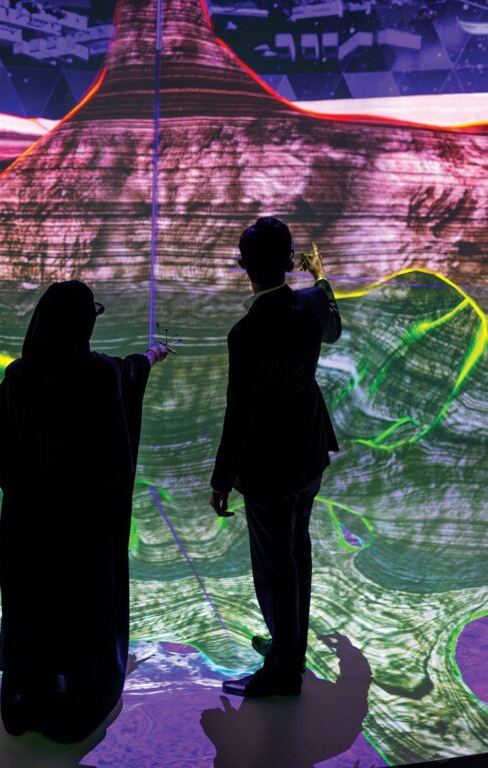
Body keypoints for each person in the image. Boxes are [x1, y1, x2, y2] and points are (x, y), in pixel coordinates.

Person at [0, 280, 174, 742]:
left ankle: (25, 703)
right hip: (84, 531)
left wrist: (25, 489)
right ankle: (75, 705)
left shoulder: (19, 375)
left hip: (27, 528)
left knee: (32, 610)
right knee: (81, 612)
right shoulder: (100, 375)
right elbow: (130, 373)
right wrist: (153, 355)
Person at [209, 216, 341, 698]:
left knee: (274, 569)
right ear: (289, 262)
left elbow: (240, 411)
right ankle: (290, 647)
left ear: (245, 267)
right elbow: (333, 329)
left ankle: (284, 669)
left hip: (268, 469)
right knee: (296, 556)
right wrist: (320, 278)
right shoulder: (311, 306)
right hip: (308, 455)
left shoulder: (245, 332)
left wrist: (221, 478)